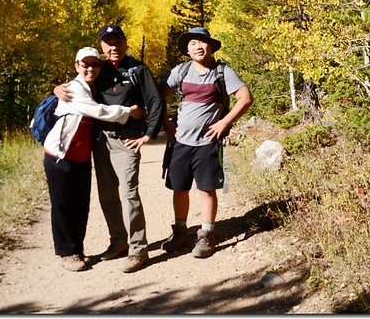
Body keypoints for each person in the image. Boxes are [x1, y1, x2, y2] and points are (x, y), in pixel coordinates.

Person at [55, 24, 165, 273]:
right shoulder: (97, 68)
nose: (113, 46)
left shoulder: (138, 69)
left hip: (126, 141)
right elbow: (75, 87)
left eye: (118, 41)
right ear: (102, 47)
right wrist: (56, 90)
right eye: (108, 42)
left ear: (126, 43)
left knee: (129, 193)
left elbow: (156, 100)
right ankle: (119, 242)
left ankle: (138, 249)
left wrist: (148, 135)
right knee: (106, 193)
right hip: (99, 140)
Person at [43, 47, 143, 272]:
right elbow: (97, 111)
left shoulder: (92, 86)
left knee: (80, 205)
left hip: (80, 156)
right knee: (62, 205)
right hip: (60, 155)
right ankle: (66, 252)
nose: (90, 68)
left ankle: (77, 250)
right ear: (76, 66)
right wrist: (129, 112)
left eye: (95, 64)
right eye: (85, 64)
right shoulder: (73, 89)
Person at [160, 27, 253, 258]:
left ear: (210, 47)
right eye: (193, 43)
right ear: (187, 49)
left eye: (202, 42)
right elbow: (158, 96)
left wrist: (224, 123)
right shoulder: (180, 71)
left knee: (206, 188)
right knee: (179, 187)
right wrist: (166, 125)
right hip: (180, 142)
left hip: (208, 142)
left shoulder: (222, 72)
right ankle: (180, 232)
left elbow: (245, 98)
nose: (198, 46)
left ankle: (206, 235)